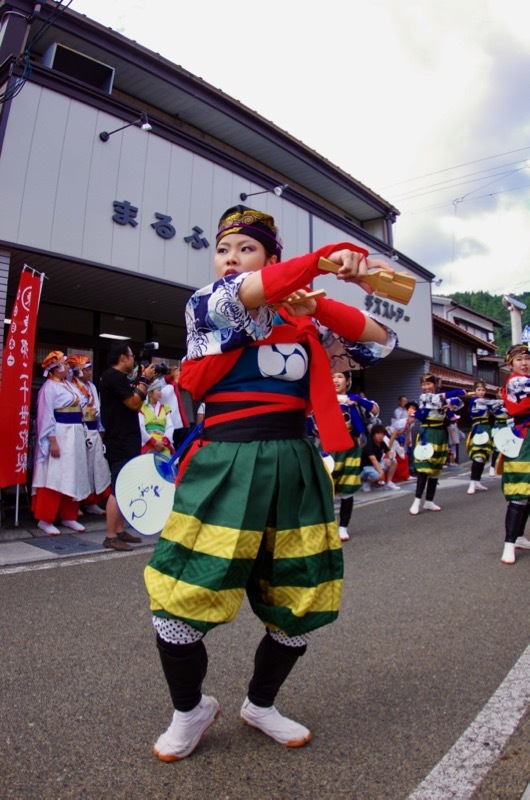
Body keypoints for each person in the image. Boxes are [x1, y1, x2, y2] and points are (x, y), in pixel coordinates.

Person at [144, 204, 397, 761]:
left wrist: (318, 301)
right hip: (223, 464)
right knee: (183, 600)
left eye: (246, 249)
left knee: (298, 601)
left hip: (296, 467)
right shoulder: (206, 306)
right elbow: (256, 289)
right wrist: (324, 262)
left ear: (271, 256)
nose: (230, 260)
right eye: (222, 250)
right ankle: (189, 710)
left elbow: (380, 343)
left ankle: (260, 704)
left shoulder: (306, 321)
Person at [99, 343, 156, 551]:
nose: (134, 361)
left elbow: (135, 397)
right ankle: (110, 535)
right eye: (132, 357)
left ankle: (120, 530)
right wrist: (144, 380)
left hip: (125, 438)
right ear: (123, 358)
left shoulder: (116, 378)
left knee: (124, 485)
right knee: (118, 486)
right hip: (119, 440)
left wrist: (143, 380)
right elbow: (134, 403)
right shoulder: (113, 377)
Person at [31, 351, 91, 535]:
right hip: (60, 433)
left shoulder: (68, 385)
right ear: (55, 368)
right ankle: (45, 518)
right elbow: (45, 416)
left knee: (74, 474)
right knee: (55, 476)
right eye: (63, 364)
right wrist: (52, 441)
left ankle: (69, 516)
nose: (67, 366)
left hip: (75, 433)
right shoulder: (49, 388)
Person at [329, 370, 380, 541]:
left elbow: (375, 410)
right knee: (324, 488)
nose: (335, 380)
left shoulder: (355, 401)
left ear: (348, 380)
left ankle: (343, 527)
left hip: (349, 447)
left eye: (339, 376)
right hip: (327, 447)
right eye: (332, 377)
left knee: (347, 489)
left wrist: (358, 400)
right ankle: (326, 527)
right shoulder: (323, 398)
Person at [409, 373, 465, 515]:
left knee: (435, 470)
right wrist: (457, 393)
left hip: (440, 434)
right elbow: (423, 415)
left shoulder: (441, 399)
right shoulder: (425, 398)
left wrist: (451, 409)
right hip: (428, 434)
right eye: (423, 384)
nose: (426, 387)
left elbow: (453, 408)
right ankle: (416, 500)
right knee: (423, 469)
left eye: (429, 384)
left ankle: (429, 501)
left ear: (435, 384)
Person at [67, 355, 111, 515]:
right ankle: (76, 503)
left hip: (93, 428)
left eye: (90, 368)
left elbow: (97, 409)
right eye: (86, 369)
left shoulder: (92, 386)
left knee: (96, 467)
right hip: (79, 428)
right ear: (77, 371)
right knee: (80, 467)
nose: (89, 372)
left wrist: (101, 431)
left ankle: (92, 501)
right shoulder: (70, 387)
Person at [498, 343, 530, 564]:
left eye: (527, 358)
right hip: (523, 439)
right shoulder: (516, 382)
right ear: (510, 365)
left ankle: (518, 536)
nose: (525, 363)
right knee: (519, 492)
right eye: (519, 360)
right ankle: (509, 544)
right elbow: (517, 409)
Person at [466, 379, 502, 495]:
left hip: (486, 428)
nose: (481, 392)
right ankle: (472, 482)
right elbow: (490, 405)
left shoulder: (485, 402)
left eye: (483, 390)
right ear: (475, 391)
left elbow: (494, 410)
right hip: (478, 428)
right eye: (479, 390)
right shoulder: (475, 400)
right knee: (477, 456)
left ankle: (477, 481)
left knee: (483, 457)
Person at [360, 423, 401, 492]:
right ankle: (365, 480)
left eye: (382, 434)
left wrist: (389, 458)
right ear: (373, 435)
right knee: (378, 476)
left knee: (393, 461)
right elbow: (374, 460)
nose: (380, 436)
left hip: (376, 465)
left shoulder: (382, 443)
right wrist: (381, 472)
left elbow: (389, 452)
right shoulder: (369, 445)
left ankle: (388, 483)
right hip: (366, 468)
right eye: (378, 434)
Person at [140, 379, 175, 456]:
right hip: (148, 442)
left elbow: (170, 426)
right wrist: (153, 442)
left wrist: (165, 441)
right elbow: (140, 427)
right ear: (150, 393)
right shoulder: (142, 407)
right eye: (158, 390)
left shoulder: (165, 408)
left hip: (163, 442)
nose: (161, 393)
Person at [160, 366, 188, 449]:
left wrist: (173, 378)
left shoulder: (171, 384)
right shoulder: (167, 386)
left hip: (179, 424)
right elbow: (162, 395)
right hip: (171, 425)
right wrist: (175, 380)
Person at [489, 387, 508, 477]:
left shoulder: (509, 402)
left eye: (503, 392)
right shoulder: (495, 403)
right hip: (498, 425)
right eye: (500, 392)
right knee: (496, 448)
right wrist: (501, 409)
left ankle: (506, 467)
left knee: (508, 447)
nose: (501, 394)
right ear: (497, 394)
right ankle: (492, 466)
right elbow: (493, 411)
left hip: (508, 425)